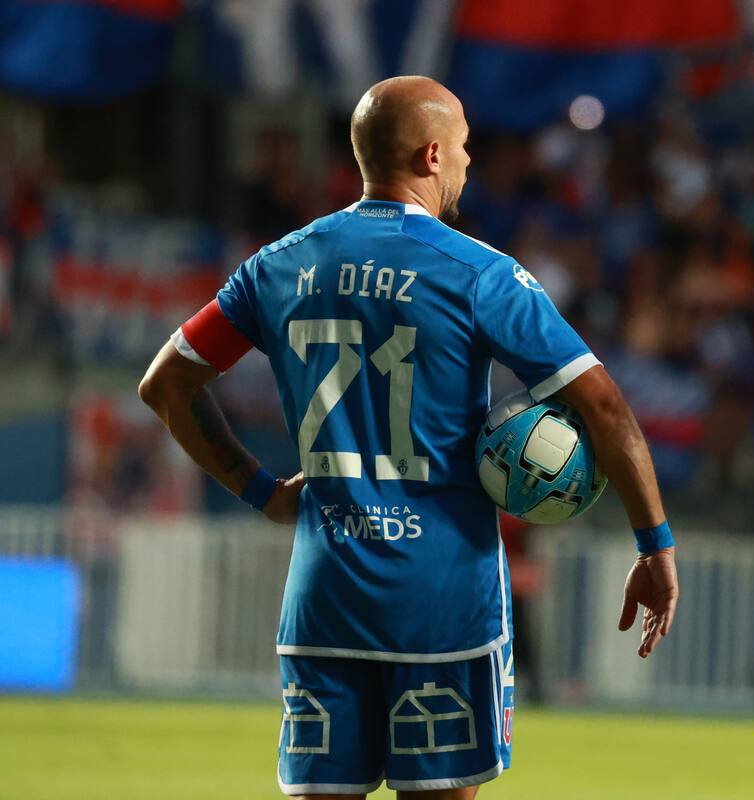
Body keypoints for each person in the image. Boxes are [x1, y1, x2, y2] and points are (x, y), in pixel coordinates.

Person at [139, 76, 679, 800]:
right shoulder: (480, 273)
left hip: (325, 597)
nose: (468, 162)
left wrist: (261, 490)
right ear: (431, 154)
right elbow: (605, 407)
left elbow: (165, 385)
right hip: (443, 603)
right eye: (463, 147)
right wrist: (654, 545)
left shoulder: (278, 265)